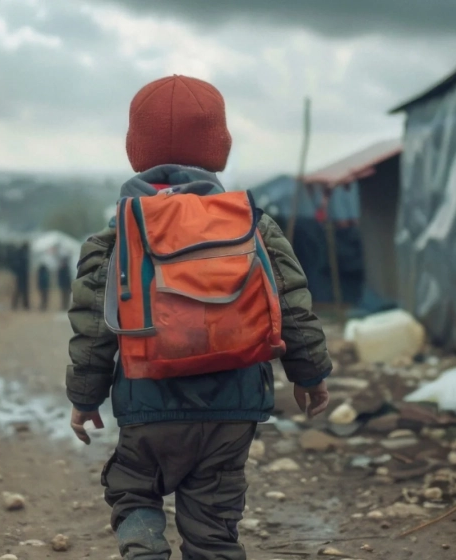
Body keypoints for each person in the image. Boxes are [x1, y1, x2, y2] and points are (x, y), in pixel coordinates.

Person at [65, 75, 333, 560]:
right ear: (219, 149)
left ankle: (145, 551)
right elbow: (292, 303)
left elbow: (93, 327)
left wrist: (85, 398)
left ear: (135, 150)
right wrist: (310, 374)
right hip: (234, 406)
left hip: (148, 401)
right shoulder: (253, 224)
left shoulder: (117, 235)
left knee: (134, 488)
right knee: (213, 525)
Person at [11, 241, 31, 310]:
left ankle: (24, 305)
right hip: (21, 275)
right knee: (19, 291)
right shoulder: (21, 255)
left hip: (23, 275)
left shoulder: (22, 254)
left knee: (22, 291)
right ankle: (19, 305)